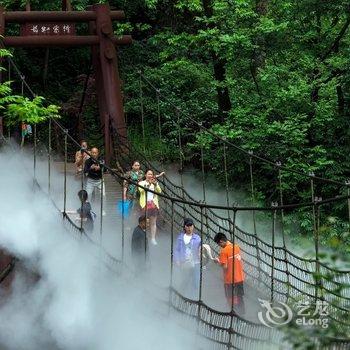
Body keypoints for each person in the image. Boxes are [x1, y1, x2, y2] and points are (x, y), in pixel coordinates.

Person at [214, 232, 245, 315]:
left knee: (231, 299)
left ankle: (234, 317)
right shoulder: (237, 247)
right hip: (240, 278)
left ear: (221, 241)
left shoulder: (224, 251)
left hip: (230, 280)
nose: (219, 246)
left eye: (219, 244)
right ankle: (242, 318)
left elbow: (225, 267)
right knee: (240, 298)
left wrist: (218, 261)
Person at [174, 218, 201, 299]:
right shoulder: (180, 238)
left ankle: (193, 299)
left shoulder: (197, 238)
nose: (189, 228)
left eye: (191, 226)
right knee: (185, 281)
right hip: (184, 263)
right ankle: (182, 298)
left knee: (196, 282)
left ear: (193, 227)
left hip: (195, 263)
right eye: (187, 226)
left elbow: (201, 248)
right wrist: (177, 260)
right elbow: (176, 250)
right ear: (184, 227)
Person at [138, 169, 162, 245]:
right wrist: (148, 184)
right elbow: (141, 191)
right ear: (145, 175)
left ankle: (153, 238)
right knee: (144, 221)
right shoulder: (141, 183)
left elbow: (159, 191)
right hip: (145, 204)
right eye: (148, 174)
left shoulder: (154, 183)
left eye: (151, 174)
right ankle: (144, 237)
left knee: (153, 222)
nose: (150, 176)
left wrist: (155, 184)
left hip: (153, 204)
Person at [84, 147, 106, 216]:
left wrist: (100, 168)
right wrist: (91, 168)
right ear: (90, 153)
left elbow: (105, 170)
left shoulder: (101, 160)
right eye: (92, 152)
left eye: (95, 152)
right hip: (90, 180)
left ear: (97, 153)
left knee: (103, 195)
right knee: (88, 195)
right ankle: (88, 210)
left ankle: (103, 210)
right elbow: (85, 171)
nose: (94, 154)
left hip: (100, 180)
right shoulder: (88, 161)